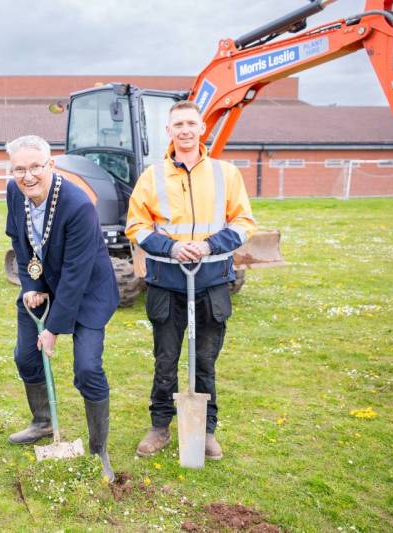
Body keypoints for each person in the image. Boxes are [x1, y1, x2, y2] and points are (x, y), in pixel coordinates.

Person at [125, 100, 257, 461]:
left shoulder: (225, 174)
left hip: (212, 281)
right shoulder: (152, 177)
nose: (184, 130)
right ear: (168, 132)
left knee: (205, 361)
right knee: (165, 359)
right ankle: (160, 427)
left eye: (191, 124)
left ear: (202, 129)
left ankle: (206, 430)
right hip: (168, 283)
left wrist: (209, 244)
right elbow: (136, 226)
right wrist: (172, 248)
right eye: (178, 124)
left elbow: (244, 222)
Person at [4, 135, 120, 481]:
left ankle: (99, 448)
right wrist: (31, 286)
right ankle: (42, 422)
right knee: (26, 356)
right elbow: (19, 240)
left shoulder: (77, 204)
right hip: (46, 284)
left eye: (35, 167)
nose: (27, 176)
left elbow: (75, 275)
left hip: (87, 291)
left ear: (50, 165)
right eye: (19, 169)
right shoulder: (16, 193)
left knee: (87, 369)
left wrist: (53, 329)